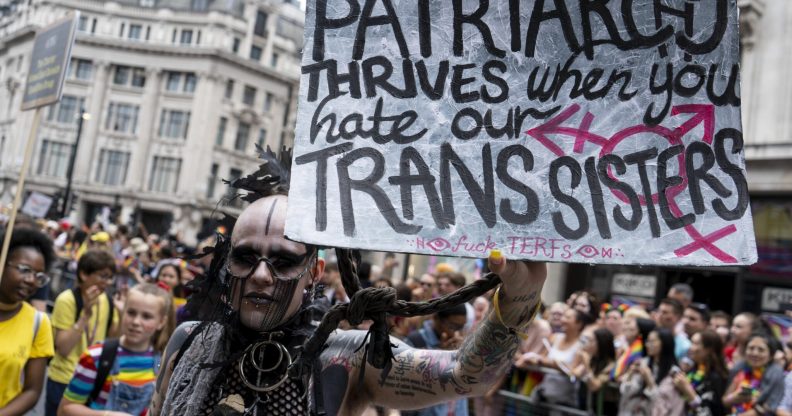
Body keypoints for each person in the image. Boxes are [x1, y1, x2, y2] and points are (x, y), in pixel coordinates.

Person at [150, 186, 548, 415]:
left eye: (284, 261)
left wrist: (520, 297)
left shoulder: (348, 356)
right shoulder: (188, 342)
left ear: (315, 272)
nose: (260, 275)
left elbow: (465, 375)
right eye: (245, 257)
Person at [58, 283, 175, 416]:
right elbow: (65, 410)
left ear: (161, 322)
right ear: (123, 311)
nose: (136, 322)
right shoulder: (96, 356)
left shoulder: (163, 363)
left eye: (146, 316)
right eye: (131, 312)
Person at [46, 249, 120, 416]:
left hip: (91, 380)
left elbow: (114, 338)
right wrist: (85, 315)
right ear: (84, 274)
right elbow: (63, 349)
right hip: (63, 379)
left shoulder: (106, 300)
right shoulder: (67, 300)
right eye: (103, 276)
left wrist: (123, 312)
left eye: (110, 277)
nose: (107, 282)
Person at [0, 228, 56, 414]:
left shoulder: (38, 323)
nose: (31, 280)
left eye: (39, 276)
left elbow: (32, 391)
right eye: (25, 270)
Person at [403, 304, 469, 416]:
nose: (457, 333)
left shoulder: (461, 343)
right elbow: (408, 384)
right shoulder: (416, 342)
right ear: (436, 319)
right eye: (453, 326)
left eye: (461, 328)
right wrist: (442, 356)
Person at [528, 308, 588, 408]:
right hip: (545, 396)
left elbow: (573, 371)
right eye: (563, 316)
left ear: (579, 324)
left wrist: (554, 364)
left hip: (566, 403)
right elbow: (540, 358)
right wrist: (554, 364)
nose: (563, 320)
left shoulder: (582, 345)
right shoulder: (555, 337)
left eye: (568, 317)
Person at [723, 332, 786, 415]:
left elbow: (769, 407)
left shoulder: (776, 373)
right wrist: (736, 397)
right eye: (751, 348)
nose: (755, 353)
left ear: (771, 355)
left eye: (761, 350)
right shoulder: (740, 368)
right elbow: (724, 401)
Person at [671, 330, 728, 416]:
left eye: (696, 344)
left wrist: (688, 391)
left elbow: (711, 413)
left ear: (709, 349)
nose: (690, 347)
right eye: (691, 342)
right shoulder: (693, 370)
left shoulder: (715, 378)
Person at [616, 318, 656, 415]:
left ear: (640, 333)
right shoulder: (628, 349)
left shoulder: (640, 357)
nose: (626, 328)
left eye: (632, 329)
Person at [573, 328, 617, 415]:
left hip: (604, 409)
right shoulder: (592, 359)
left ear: (601, 343)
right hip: (588, 406)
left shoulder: (611, 365)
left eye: (592, 341)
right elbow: (574, 373)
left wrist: (587, 365)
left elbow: (595, 386)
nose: (588, 344)